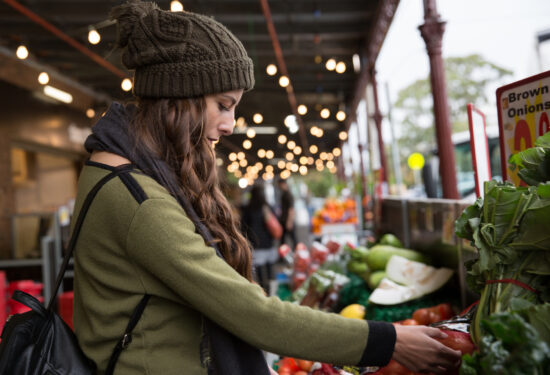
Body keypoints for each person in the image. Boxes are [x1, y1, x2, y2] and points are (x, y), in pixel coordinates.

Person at [71, 1, 462, 374]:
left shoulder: (116, 171)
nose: (229, 124)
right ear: (181, 97)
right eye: (223, 104)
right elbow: (252, 315)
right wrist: (387, 340)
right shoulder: (139, 201)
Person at [241, 184, 277, 293]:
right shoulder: (268, 207)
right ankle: (272, 292)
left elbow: (243, 227)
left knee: (260, 273)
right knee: (270, 270)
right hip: (269, 243)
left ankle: (264, 292)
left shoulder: (248, 208)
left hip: (256, 244)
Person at [277, 178, 297, 248]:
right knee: (283, 240)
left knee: (293, 240)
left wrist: (289, 221)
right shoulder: (284, 194)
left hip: (287, 220)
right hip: (284, 220)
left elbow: (291, 209)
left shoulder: (288, 195)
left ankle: (298, 254)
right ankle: (283, 256)